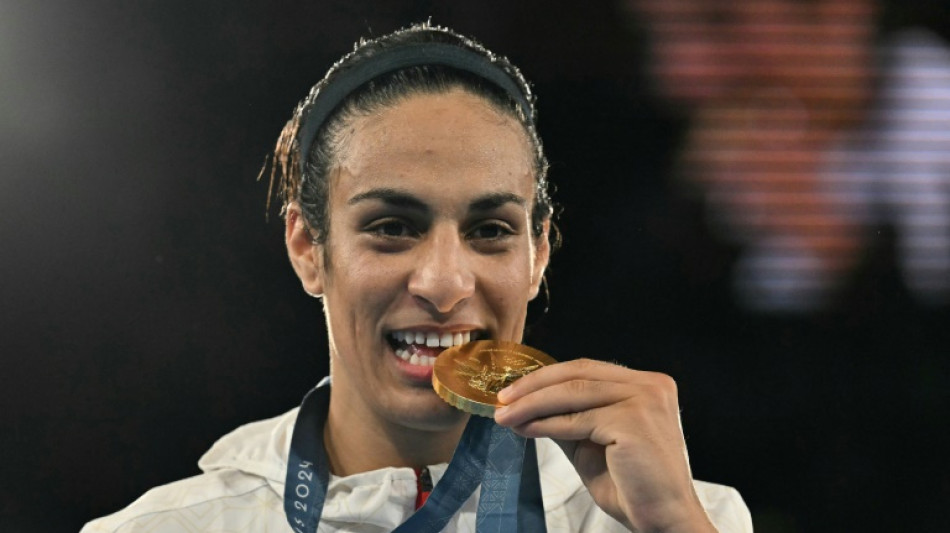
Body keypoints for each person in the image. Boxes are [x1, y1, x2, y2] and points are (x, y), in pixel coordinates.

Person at [82, 23, 752, 532]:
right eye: (392, 226)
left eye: (490, 230)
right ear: (308, 246)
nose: (444, 282)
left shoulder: (673, 515)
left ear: (539, 253)